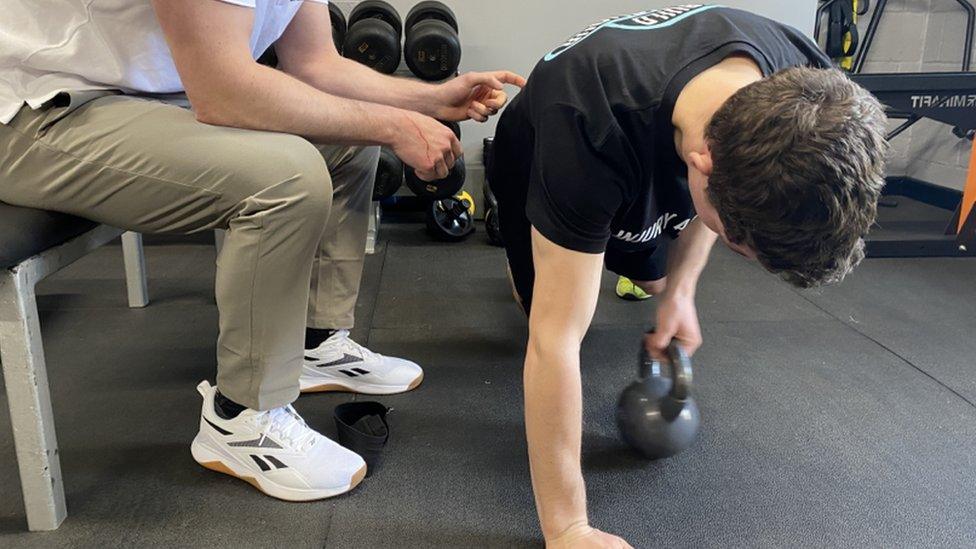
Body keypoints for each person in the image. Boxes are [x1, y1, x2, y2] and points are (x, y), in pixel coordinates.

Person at [0, 0, 523, 501]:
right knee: (286, 179)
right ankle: (240, 418)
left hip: (161, 96)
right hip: (42, 113)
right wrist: (394, 126)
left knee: (346, 143)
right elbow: (224, 90)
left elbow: (316, 64)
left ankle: (313, 344)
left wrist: (433, 98)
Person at [489, 5, 887, 547]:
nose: (732, 247)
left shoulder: (816, 93)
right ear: (700, 165)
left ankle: (638, 263)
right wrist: (567, 527)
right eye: (739, 246)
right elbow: (555, 342)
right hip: (543, 137)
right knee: (543, 312)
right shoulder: (586, 121)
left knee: (653, 273)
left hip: (664, 131)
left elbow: (728, 189)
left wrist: (680, 293)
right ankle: (556, 259)